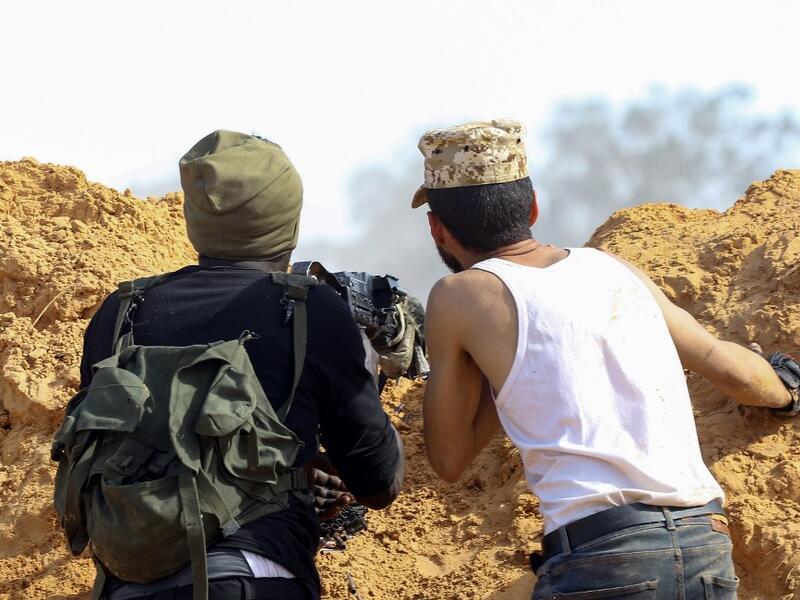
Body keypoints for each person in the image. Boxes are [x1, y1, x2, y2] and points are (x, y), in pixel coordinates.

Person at [412, 120, 799, 599]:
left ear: (437, 227)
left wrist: (496, 370)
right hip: (705, 544)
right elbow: (723, 363)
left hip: (602, 556)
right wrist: (785, 394)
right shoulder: (614, 268)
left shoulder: (460, 296)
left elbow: (448, 460)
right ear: (532, 206)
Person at [69, 130, 404, 600]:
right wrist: (366, 367)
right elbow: (378, 481)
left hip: (128, 585)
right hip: (254, 575)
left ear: (196, 219)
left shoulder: (122, 310)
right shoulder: (311, 310)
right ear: (288, 218)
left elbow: (143, 445)